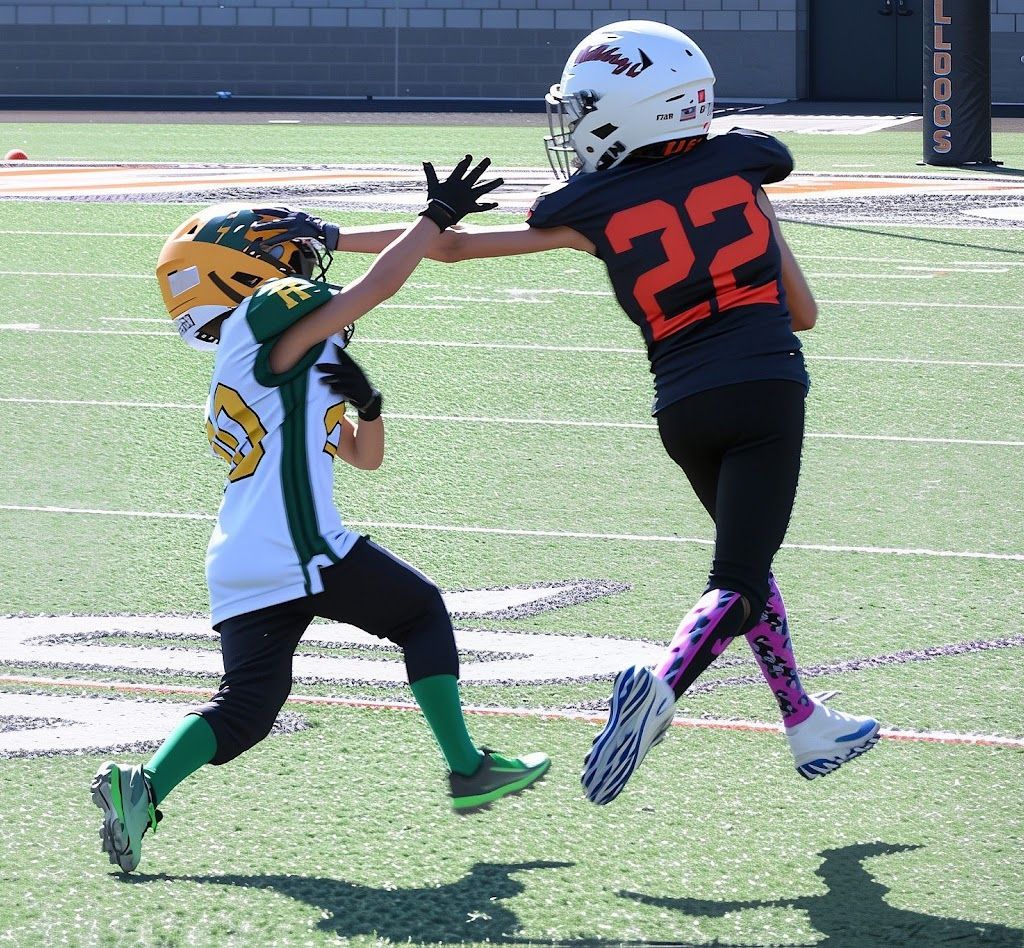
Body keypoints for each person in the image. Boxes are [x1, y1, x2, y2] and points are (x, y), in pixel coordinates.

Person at [286, 21, 880, 805]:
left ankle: (803, 720)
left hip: (681, 407)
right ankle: (660, 686)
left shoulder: (593, 204)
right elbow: (801, 313)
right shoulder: (746, 164)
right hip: (765, 389)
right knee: (734, 578)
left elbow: (455, 249)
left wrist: (328, 233)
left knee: (747, 569)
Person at [90, 156, 551, 875]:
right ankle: (467, 768)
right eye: (291, 259)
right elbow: (377, 285)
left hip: (240, 553)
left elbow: (364, 457)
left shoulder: (267, 361)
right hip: (295, 542)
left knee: (244, 711)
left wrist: (370, 407)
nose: (307, 270)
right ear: (247, 272)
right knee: (420, 612)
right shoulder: (264, 318)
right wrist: (431, 218)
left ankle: (142, 787)